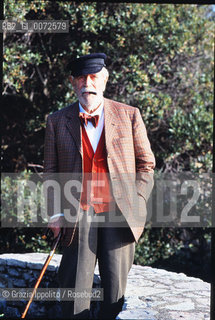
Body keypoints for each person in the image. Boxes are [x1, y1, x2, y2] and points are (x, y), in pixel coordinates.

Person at [44, 52, 155, 319]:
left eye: (93, 77)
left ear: (104, 80)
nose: (87, 83)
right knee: (74, 294)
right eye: (81, 78)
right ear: (73, 83)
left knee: (114, 294)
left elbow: (146, 164)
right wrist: (54, 213)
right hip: (76, 215)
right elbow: (51, 173)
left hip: (119, 214)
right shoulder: (57, 121)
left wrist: (137, 199)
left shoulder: (129, 116)